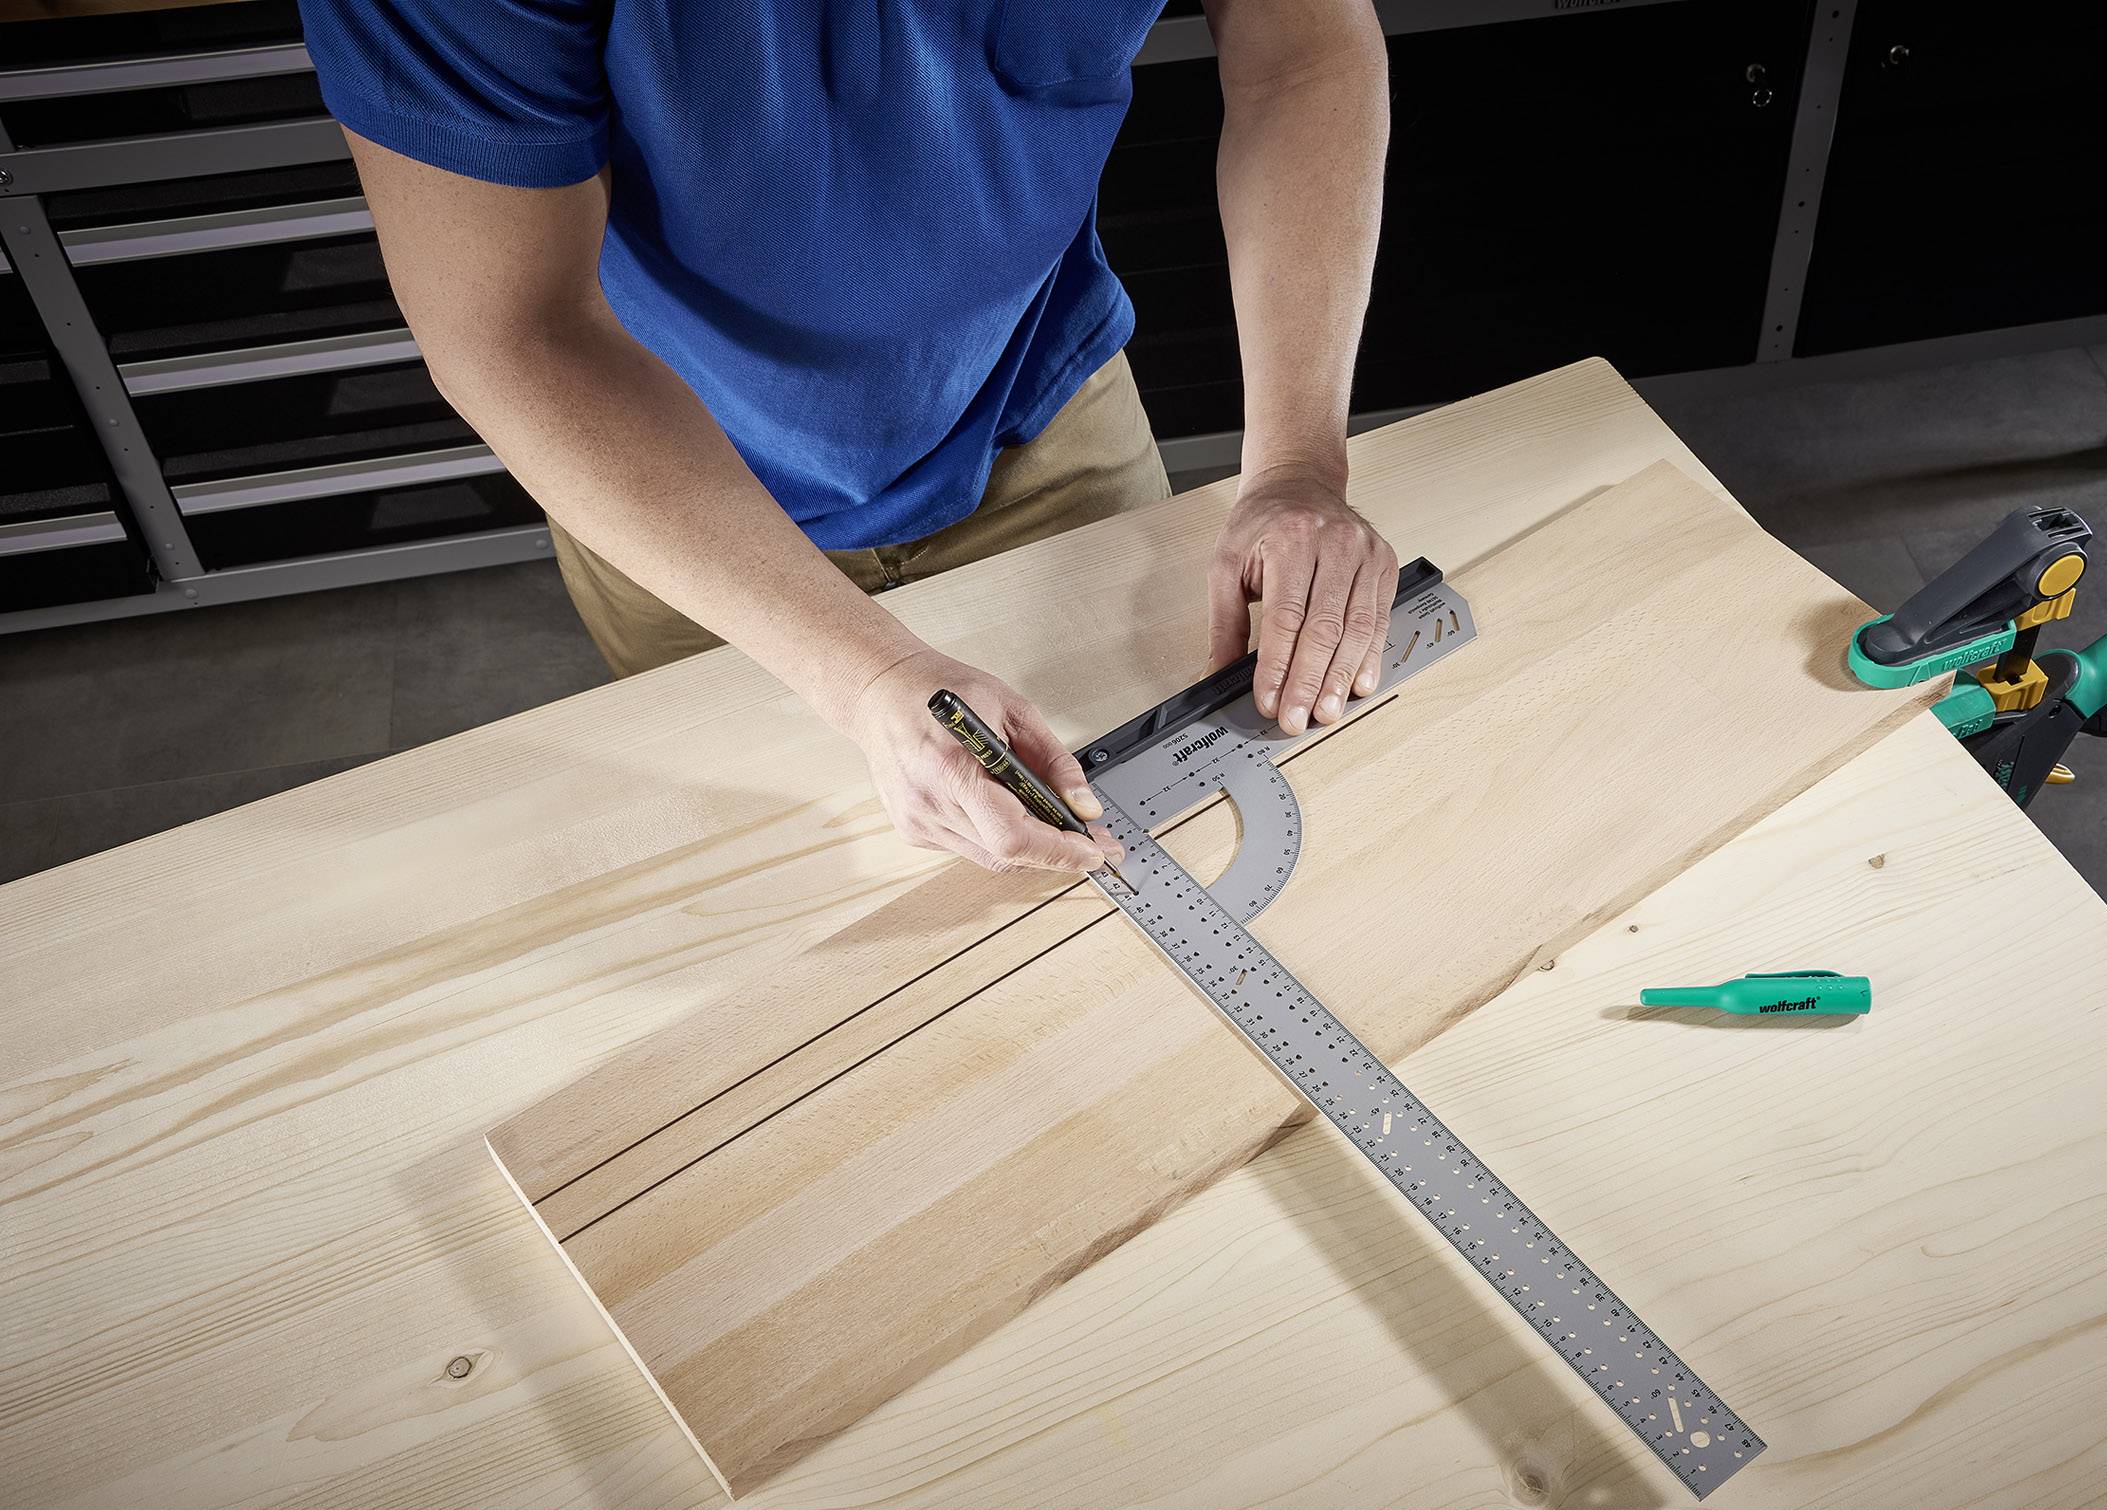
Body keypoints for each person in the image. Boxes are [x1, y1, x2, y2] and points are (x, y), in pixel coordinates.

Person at [299, 0, 1397, 876]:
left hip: (1043, 406)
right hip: (693, 506)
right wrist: (865, 677)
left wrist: (1299, 464)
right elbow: (510, 328)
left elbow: (1298, 52)